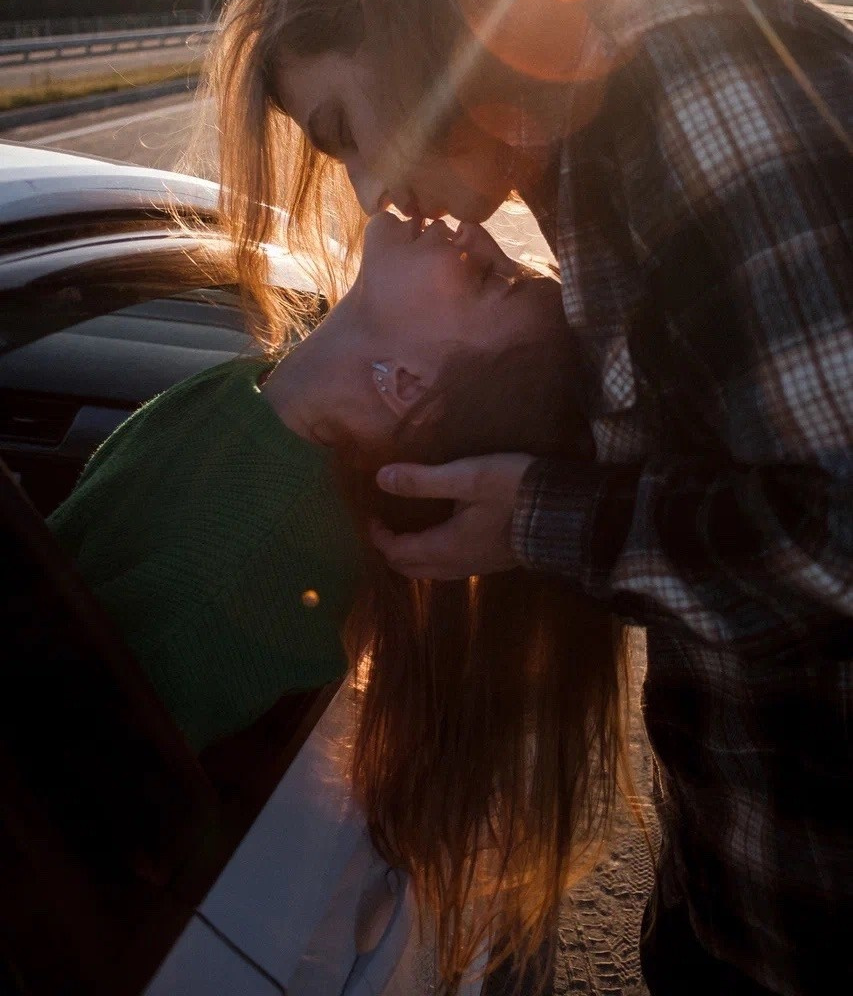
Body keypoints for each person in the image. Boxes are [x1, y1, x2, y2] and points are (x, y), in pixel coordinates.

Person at [206, 0, 853, 996]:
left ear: (402, 25)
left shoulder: (688, 70)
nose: (368, 193)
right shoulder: (590, 151)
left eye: (344, 131)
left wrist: (541, 520)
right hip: (757, 893)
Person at [49, 210, 626, 990]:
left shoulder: (238, 574)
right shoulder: (266, 398)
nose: (480, 232)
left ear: (408, 386)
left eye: (489, 278)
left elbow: (61, 803)